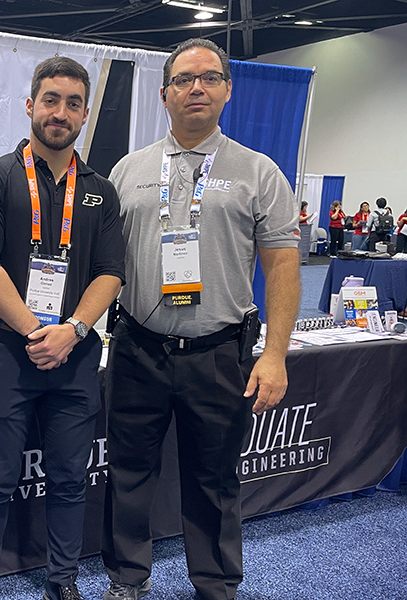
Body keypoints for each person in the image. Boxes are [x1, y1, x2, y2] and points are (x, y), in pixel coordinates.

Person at [100, 39, 299, 600]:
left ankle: (214, 584)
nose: (197, 88)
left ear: (227, 90)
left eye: (209, 78)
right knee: (129, 474)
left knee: (214, 479)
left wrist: (276, 354)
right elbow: (106, 265)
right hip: (138, 347)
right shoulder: (128, 170)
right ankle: (126, 579)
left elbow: (283, 268)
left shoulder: (258, 173)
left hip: (218, 352)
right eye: (184, 80)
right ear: (165, 94)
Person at [0, 56, 125, 600]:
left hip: (76, 355)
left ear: (84, 115)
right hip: (9, 353)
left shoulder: (100, 190)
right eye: (51, 100)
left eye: (73, 104)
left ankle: (63, 580)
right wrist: (39, 332)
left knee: (68, 478)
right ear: (31, 105)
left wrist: (72, 330)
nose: (61, 113)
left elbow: (111, 273)